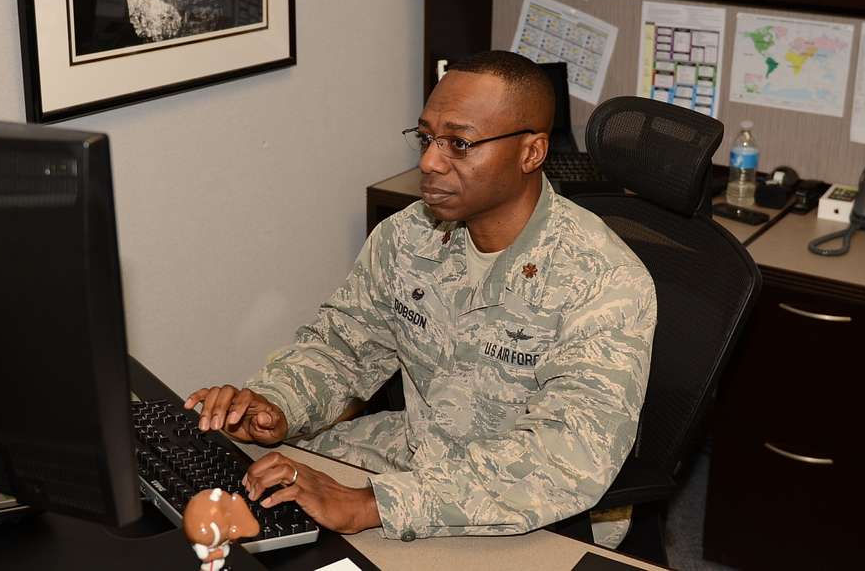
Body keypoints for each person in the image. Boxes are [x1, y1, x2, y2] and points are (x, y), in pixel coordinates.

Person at [185, 51, 656, 544]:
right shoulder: (408, 236)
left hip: (538, 504)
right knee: (247, 491)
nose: (429, 161)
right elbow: (342, 347)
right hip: (418, 449)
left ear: (531, 153)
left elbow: (566, 457)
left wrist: (374, 504)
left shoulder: (604, 279)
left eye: (459, 143)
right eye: (427, 137)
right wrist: (277, 403)